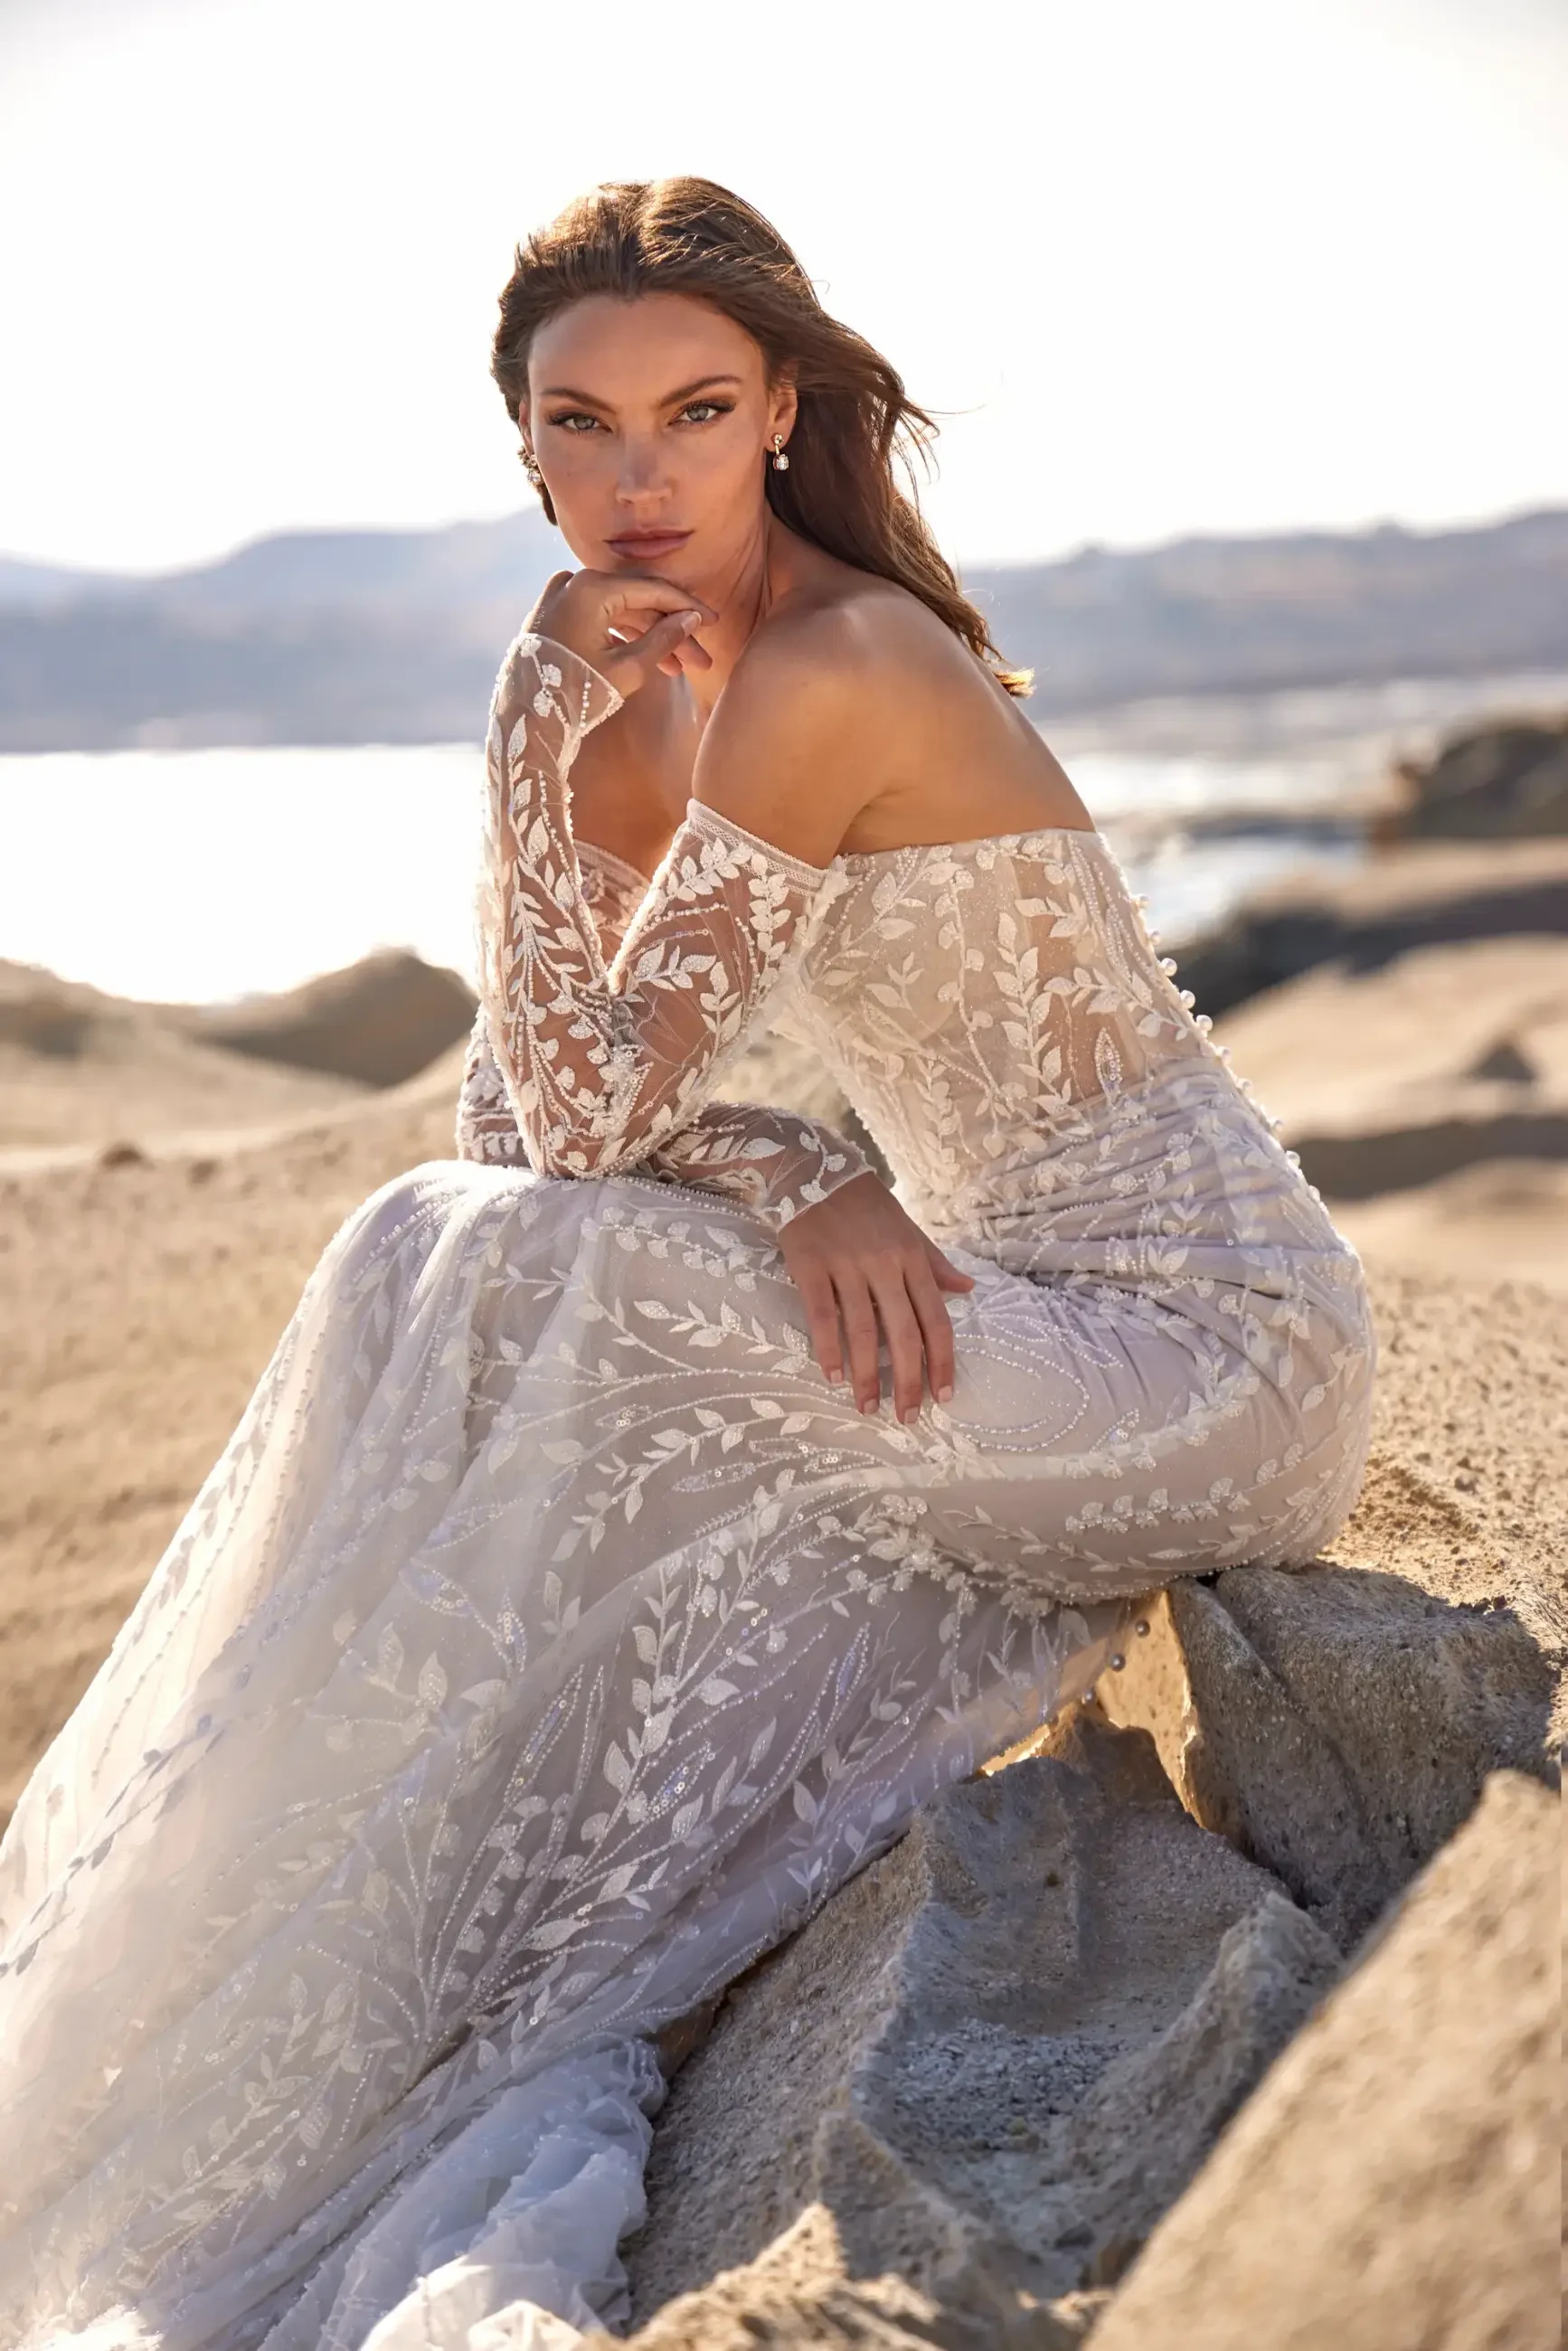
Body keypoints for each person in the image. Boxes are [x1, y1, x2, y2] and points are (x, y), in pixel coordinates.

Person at [0, 178, 1374, 2351]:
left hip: (1204, 1343)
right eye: (584, 423)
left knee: (448, 1261)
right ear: (523, 443)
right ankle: (338, 1933)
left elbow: (558, 1143)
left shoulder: (837, 666)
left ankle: (328, 1921)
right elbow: (522, 1120)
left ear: (782, 414)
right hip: (1002, 1313)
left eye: (697, 412)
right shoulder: (632, 680)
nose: (637, 478)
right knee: (459, 1265)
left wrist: (537, 753)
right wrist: (783, 1157)